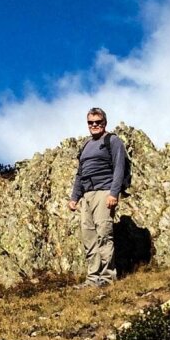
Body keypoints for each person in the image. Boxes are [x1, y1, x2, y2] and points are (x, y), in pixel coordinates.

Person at [68, 108, 127, 287]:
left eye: (98, 122)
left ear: (104, 123)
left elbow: (119, 167)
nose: (94, 125)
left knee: (103, 235)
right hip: (86, 195)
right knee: (89, 237)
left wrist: (113, 193)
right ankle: (92, 279)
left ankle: (107, 278)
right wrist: (74, 197)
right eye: (91, 122)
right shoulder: (86, 145)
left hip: (104, 192)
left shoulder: (113, 141)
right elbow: (80, 174)